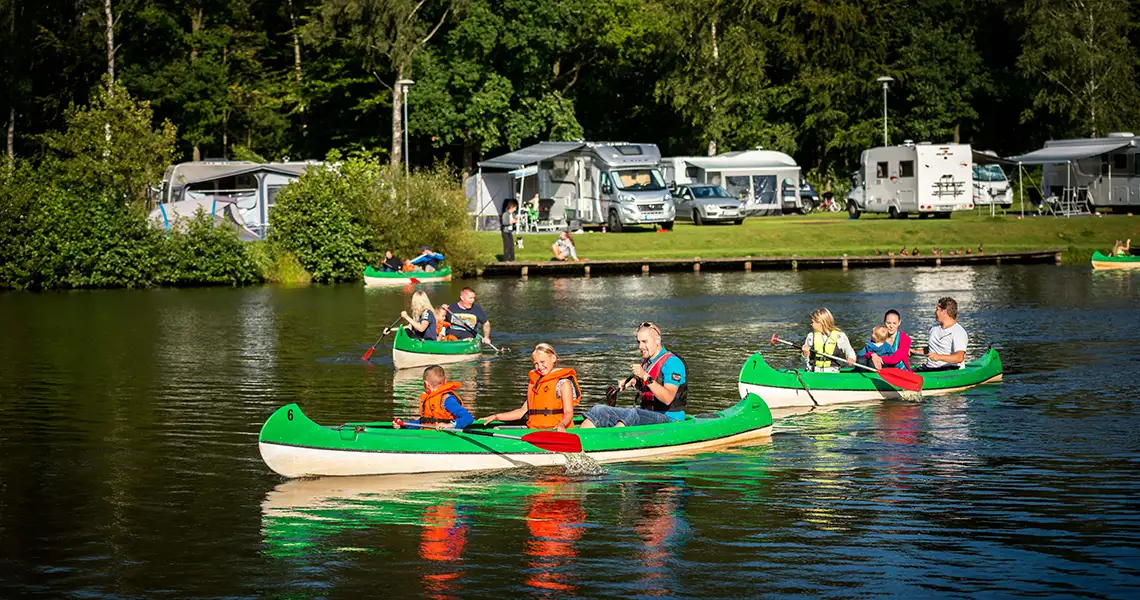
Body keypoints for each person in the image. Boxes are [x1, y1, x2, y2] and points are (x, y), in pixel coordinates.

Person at [580, 322, 687, 428]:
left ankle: (611, 442)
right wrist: (631, 382)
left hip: (670, 419)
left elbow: (667, 398)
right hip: (648, 414)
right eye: (638, 342)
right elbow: (649, 388)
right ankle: (580, 440)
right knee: (599, 410)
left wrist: (645, 376)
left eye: (645, 342)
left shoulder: (673, 362)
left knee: (634, 414)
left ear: (657, 341)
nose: (640, 346)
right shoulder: (648, 361)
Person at [480, 344, 580, 432]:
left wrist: (561, 425)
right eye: (536, 363)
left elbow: (569, 412)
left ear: (553, 358)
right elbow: (521, 412)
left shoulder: (563, 383)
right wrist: (496, 416)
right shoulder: (536, 383)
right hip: (534, 430)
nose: (540, 367)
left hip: (555, 430)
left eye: (542, 362)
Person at [393, 364, 474, 430]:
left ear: (426, 384)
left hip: (445, 438)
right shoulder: (429, 399)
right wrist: (404, 425)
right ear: (445, 381)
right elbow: (423, 422)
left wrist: (450, 425)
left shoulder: (447, 399)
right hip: (428, 435)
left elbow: (468, 418)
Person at [911, 297, 968, 372]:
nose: (935, 312)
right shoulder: (934, 328)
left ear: (944, 312)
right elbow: (933, 349)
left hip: (950, 369)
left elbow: (959, 358)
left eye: (937, 309)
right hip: (930, 368)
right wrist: (914, 351)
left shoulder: (958, 332)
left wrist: (939, 357)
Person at [801, 308, 856, 372]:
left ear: (820, 323)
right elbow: (803, 360)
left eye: (812, 322)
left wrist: (851, 358)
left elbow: (849, 350)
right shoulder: (810, 336)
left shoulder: (840, 336)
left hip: (832, 371)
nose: (811, 324)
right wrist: (805, 354)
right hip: (813, 370)